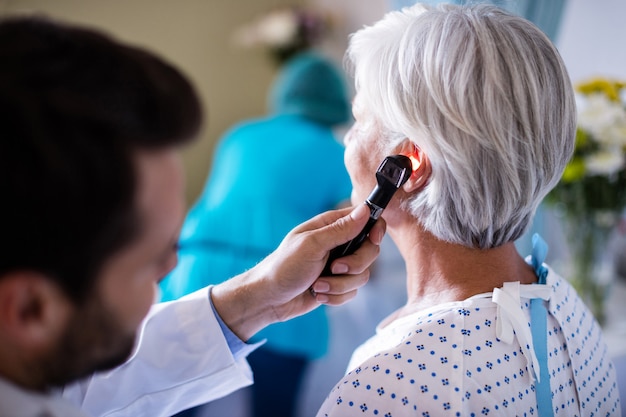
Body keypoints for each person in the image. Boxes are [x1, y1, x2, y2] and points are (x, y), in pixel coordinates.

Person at [0, 15, 385, 417]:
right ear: (30, 309)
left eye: (171, 243)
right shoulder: (330, 150)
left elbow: (108, 383)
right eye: (148, 261)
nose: (172, 264)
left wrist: (263, 298)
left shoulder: (241, 136)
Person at [316, 3, 621, 416]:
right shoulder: (568, 308)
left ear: (409, 166)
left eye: (357, 120)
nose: (348, 140)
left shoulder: (384, 385)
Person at [159, 51, 353, 417]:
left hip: (196, 272)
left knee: (176, 401)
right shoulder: (335, 152)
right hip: (278, 281)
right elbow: (350, 223)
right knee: (275, 406)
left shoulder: (239, 135)